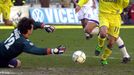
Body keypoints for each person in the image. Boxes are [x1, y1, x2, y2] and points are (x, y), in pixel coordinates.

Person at [0, 17, 66, 68]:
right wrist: (54, 51)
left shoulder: (18, 29)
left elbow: (34, 24)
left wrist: (46, 26)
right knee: (18, 63)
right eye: (32, 27)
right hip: (1, 59)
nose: (33, 27)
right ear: (28, 30)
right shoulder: (23, 43)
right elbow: (36, 50)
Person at [95, 0, 130, 65]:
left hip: (115, 17)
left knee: (111, 42)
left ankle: (104, 58)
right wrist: (80, 4)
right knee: (103, 33)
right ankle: (100, 45)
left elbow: (125, 4)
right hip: (104, 15)